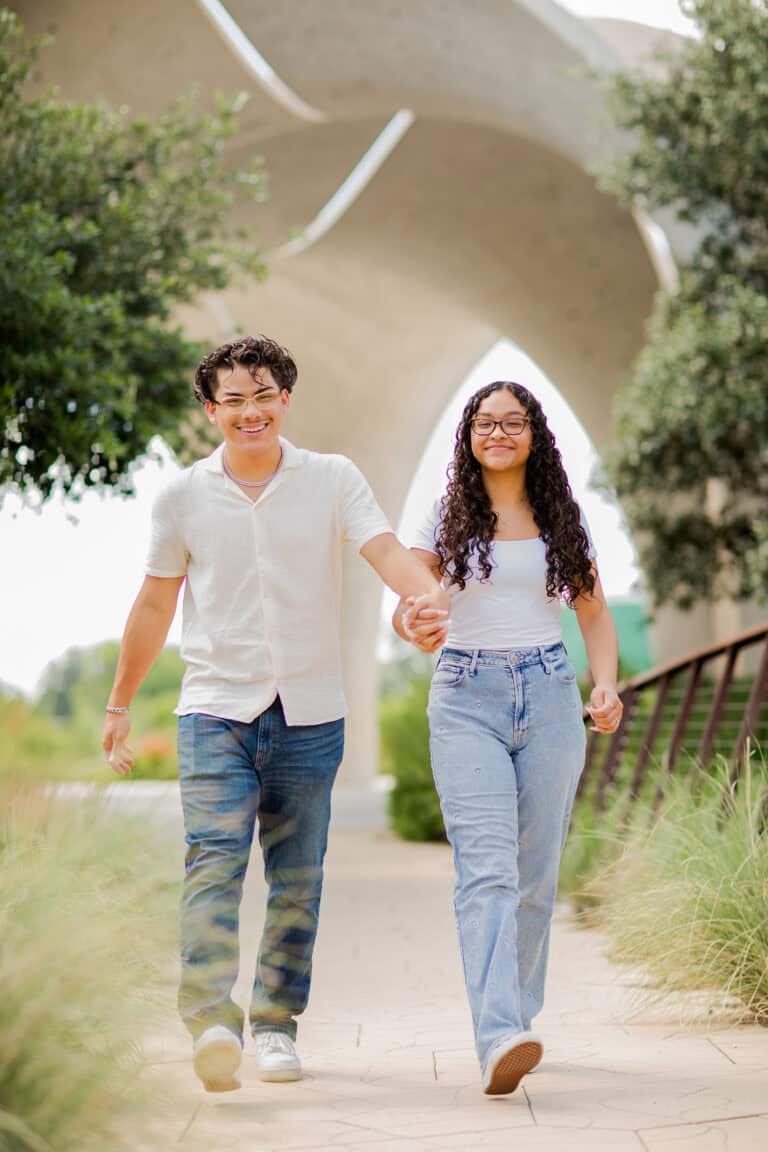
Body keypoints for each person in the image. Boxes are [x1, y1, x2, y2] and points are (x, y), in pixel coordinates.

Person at [102, 335, 449, 1093]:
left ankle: (274, 1025)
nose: (250, 411)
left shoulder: (332, 478)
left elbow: (386, 551)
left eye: (264, 396)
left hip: (310, 713)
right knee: (213, 864)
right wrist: (120, 702)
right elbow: (156, 602)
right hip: (215, 711)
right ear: (210, 410)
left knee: (297, 879)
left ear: (285, 400)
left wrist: (426, 598)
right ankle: (210, 1022)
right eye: (233, 400)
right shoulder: (181, 496)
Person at [394, 380, 622, 1096]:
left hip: (550, 693)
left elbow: (593, 612)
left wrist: (605, 685)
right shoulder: (444, 516)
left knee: (534, 874)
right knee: (487, 870)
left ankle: (516, 1018)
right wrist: (414, 623)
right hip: (465, 695)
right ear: (468, 436)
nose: (497, 432)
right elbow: (411, 601)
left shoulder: (561, 516)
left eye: (512, 421)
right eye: (484, 422)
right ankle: (498, 1034)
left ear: (534, 434)